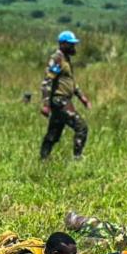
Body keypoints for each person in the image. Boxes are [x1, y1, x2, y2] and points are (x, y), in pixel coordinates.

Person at [39, 31, 90, 161]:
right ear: (62, 44)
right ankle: (77, 158)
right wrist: (46, 105)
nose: (73, 47)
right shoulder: (57, 59)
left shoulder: (66, 59)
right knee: (81, 127)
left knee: (53, 133)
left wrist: (82, 97)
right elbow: (47, 82)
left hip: (63, 100)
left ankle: (44, 159)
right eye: (70, 44)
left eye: (74, 44)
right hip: (60, 101)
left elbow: (70, 82)